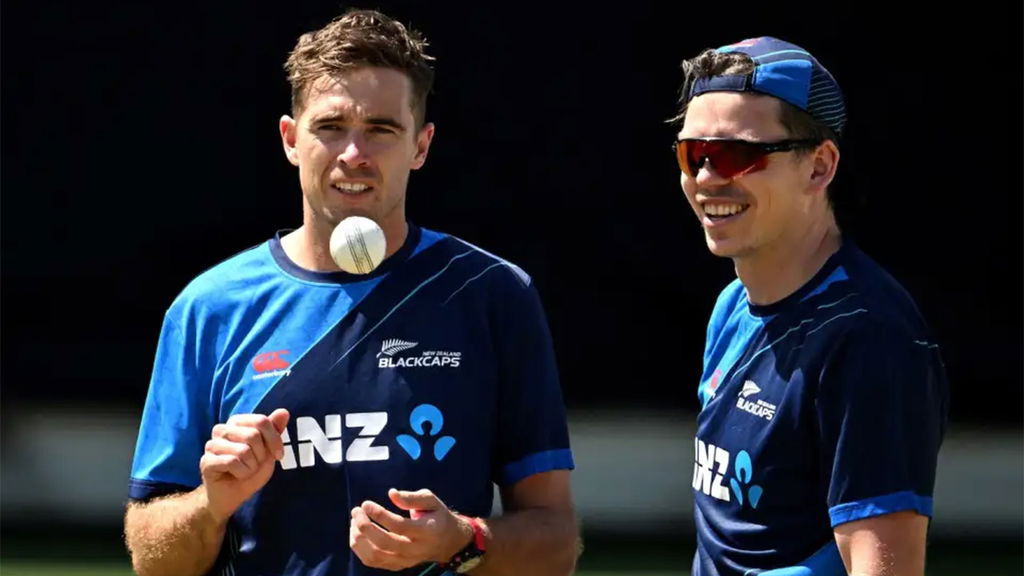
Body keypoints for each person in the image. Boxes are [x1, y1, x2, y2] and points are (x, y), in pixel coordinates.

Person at [123, 9, 577, 576]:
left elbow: (558, 543)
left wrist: (462, 540)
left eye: (382, 129)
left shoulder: (492, 293)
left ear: (422, 145)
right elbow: (150, 557)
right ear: (291, 139)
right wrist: (212, 503)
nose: (354, 155)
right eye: (330, 127)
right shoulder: (209, 307)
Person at [671, 36, 948, 576]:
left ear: (819, 167)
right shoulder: (732, 306)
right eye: (693, 153)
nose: (706, 177)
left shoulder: (868, 338)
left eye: (738, 154)